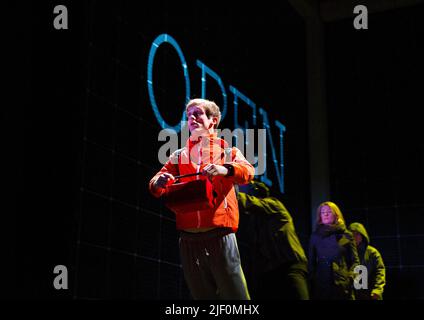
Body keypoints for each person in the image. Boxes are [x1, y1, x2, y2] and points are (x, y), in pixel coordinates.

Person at [149, 98, 255, 300]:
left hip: (220, 236)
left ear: (213, 121)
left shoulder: (228, 151)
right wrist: (158, 182)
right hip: (188, 239)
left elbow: (248, 171)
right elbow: (155, 183)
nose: (192, 118)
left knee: (237, 300)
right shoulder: (179, 155)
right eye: (189, 115)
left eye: (198, 113)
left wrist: (225, 169)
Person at [237, 180, 310, 300]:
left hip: (290, 264)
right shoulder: (255, 221)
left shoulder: (274, 204)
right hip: (272, 270)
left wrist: (231, 194)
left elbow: (250, 203)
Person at [308, 201, 360, 300]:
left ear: (336, 215)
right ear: (320, 216)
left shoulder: (347, 235)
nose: (326, 214)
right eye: (323, 212)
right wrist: (314, 280)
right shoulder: (315, 236)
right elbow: (311, 263)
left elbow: (355, 261)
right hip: (322, 286)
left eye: (329, 212)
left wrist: (350, 278)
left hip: (342, 285)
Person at [348, 222, 386, 300]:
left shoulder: (372, 252)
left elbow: (380, 272)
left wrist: (377, 290)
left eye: (357, 234)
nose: (354, 237)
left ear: (362, 236)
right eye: (352, 234)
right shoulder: (345, 253)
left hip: (371, 294)